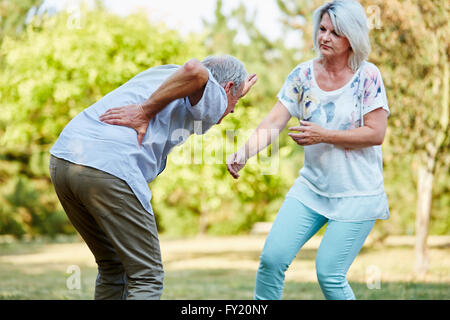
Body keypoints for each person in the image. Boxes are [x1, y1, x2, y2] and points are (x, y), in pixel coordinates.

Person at [49, 55, 257, 299]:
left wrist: (235, 92)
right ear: (227, 87)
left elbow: (194, 77)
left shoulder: (163, 73)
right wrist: (144, 111)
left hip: (65, 160)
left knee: (113, 266)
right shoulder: (211, 87)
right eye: (236, 102)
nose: (231, 110)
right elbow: (196, 71)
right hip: (109, 167)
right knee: (146, 276)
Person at [227, 0, 390, 300]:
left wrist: (324, 134)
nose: (324, 37)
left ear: (352, 37)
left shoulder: (368, 76)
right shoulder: (302, 75)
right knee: (272, 260)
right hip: (312, 189)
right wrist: (244, 152)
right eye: (322, 29)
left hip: (357, 194)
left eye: (335, 32)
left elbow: (376, 133)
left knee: (329, 274)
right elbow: (274, 120)